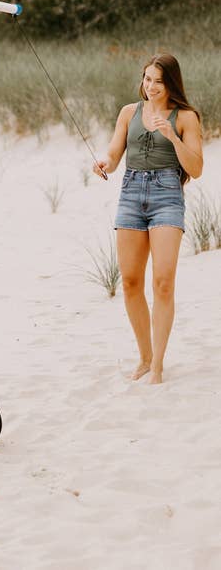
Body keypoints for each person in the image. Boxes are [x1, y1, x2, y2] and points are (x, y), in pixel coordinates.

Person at [93, 54, 203, 384]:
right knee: (129, 282)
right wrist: (105, 163)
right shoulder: (130, 112)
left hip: (167, 194)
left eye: (157, 80)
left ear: (171, 83)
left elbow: (196, 169)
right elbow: (114, 152)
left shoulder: (185, 117)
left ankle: (158, 367)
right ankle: (145, 357)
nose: (150, 86)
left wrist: (171, 135)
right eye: (146, 79)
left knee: (163, 282)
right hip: (131, 193)